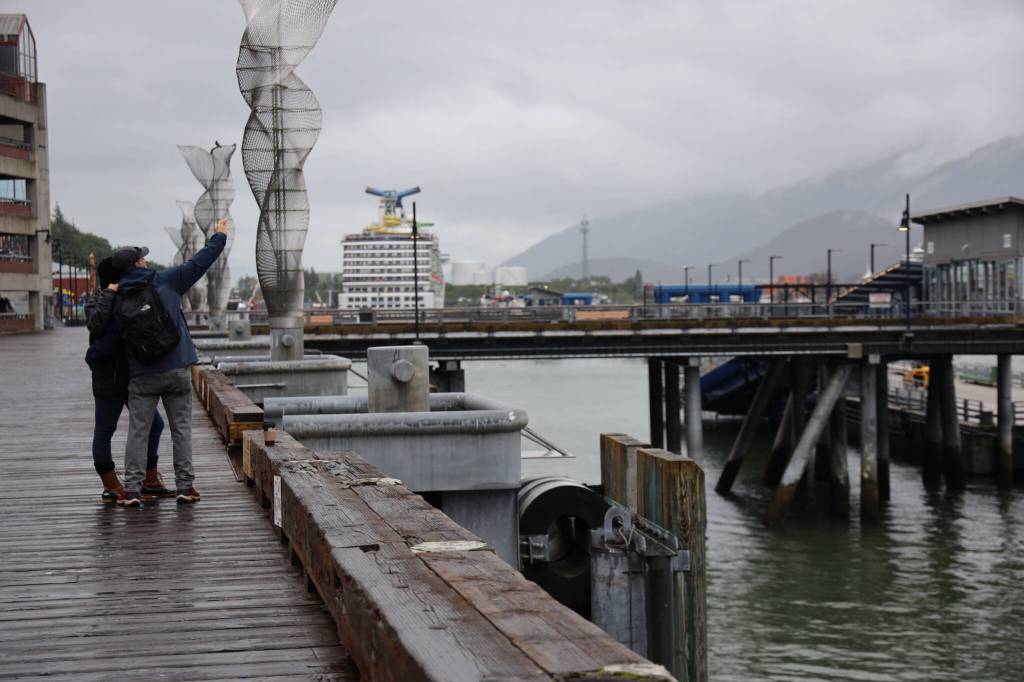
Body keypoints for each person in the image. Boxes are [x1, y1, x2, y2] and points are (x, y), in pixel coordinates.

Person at [109, 219, 228, 507]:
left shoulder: (115, 297)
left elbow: (107, 336)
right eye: (143, 257)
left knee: (138, 431)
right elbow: (201, 262)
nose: (146, 259)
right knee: (181, 429)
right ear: (138, 265)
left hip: (141, 375)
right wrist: (219, 237)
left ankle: (134, 490)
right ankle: (185, 486)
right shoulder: (166, 280)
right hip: (177, 368)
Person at [85, 258, 173, 501]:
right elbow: (103, 337)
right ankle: (111, 484)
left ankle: (149, 478)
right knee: (105, 430)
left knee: (155, 424)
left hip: (130, 378)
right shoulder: (99, 303)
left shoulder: (122, 298)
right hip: (108, 379)